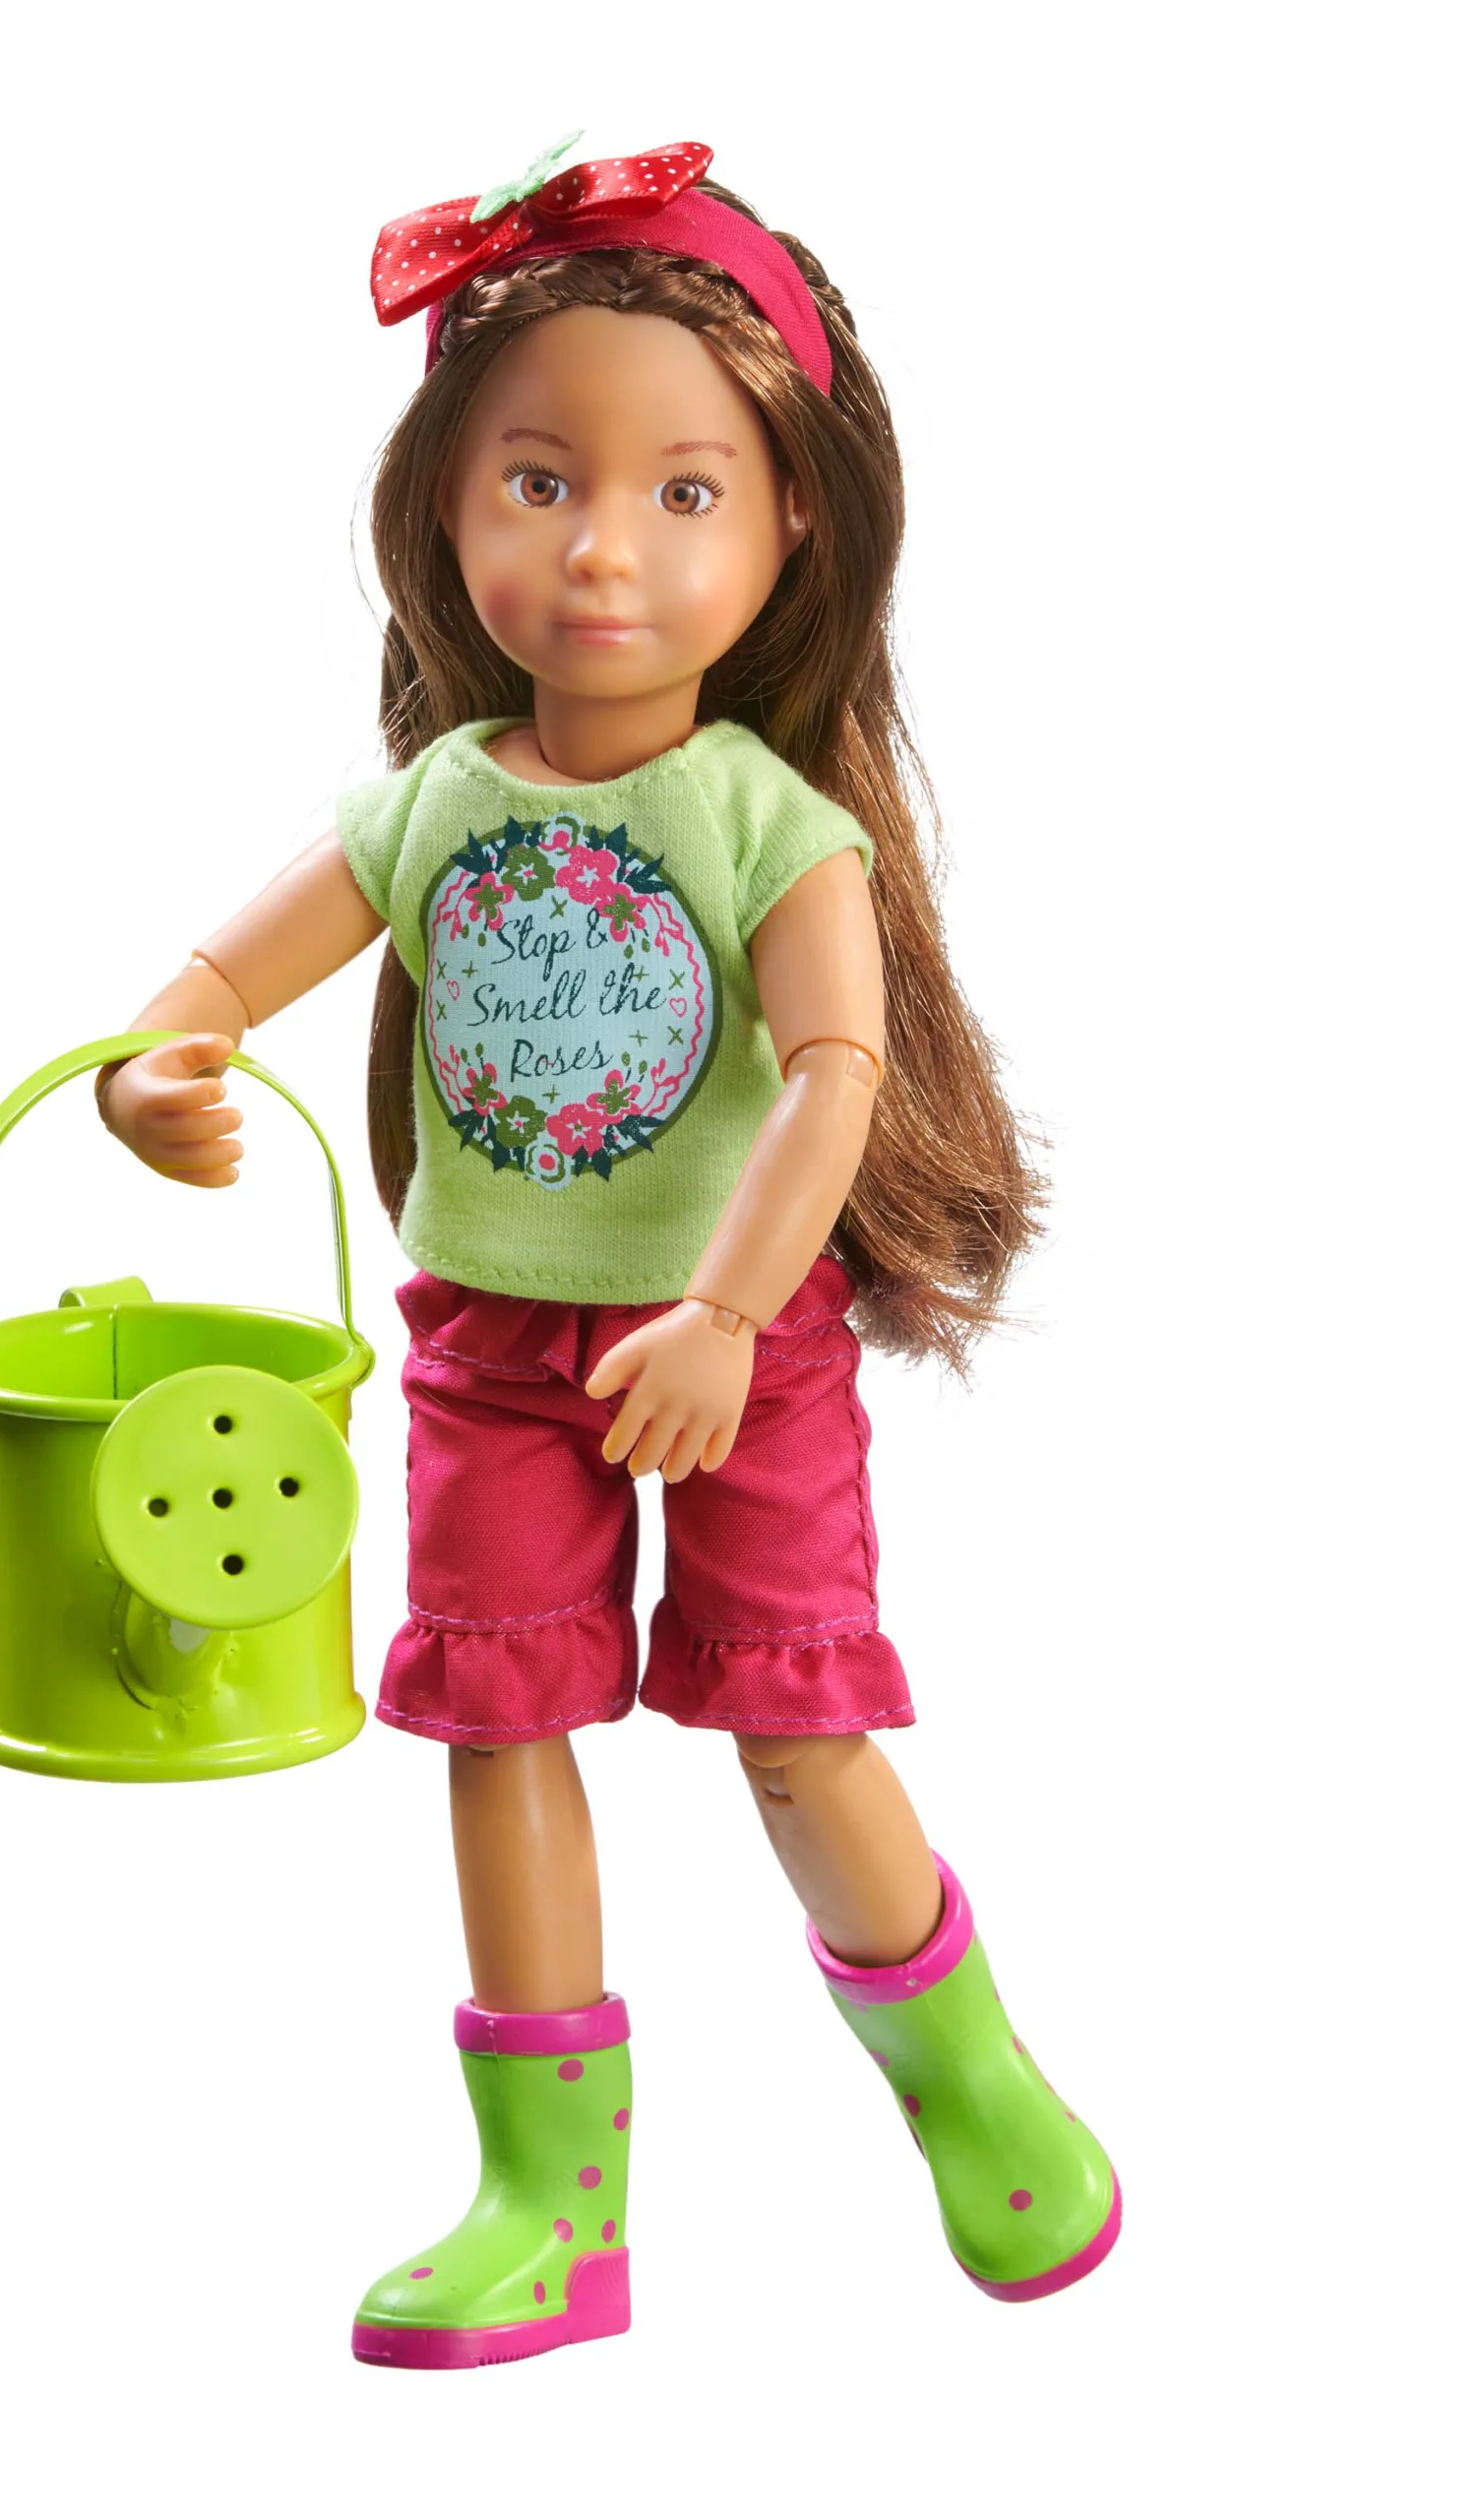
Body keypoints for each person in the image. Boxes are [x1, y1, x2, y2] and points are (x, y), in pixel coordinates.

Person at [96, 140, 1119, 2367]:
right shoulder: (437, 798)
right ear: (444, 509)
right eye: (538, 480)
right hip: (489, 1336)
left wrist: (729, 1310)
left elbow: (834, 1074)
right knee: (500, 1717)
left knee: (795, 1721)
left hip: (739, 1343)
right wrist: (154, 1068)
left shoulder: (770, 822)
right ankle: (549, 2205)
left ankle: (969, 2077)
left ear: (794, 520)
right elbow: (219, 977)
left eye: (683, 492)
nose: (599, 548)